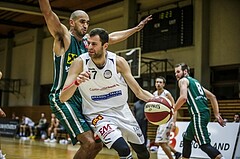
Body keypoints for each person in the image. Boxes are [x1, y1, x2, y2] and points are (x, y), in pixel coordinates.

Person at [38, 0, 152, 158]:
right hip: (63, 97)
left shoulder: (88, 44)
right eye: (82, 21)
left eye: (87, 23)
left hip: (83, 97)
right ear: (72, 22)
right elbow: (48, 14)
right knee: (90, 142)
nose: (85, 25)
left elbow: (111, 38)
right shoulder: (63, 38)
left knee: (96, 145)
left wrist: (136, 29)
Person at [60, 28, 155, 159]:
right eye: (88, 43)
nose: (89, 47)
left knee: (143, 152)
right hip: (98, 114)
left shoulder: (118, 62)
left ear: (105, 46)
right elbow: (63, 97)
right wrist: (76, 83)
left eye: (94, 44)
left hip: (122, 111)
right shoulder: (79, 63)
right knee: (124, 149)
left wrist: (158, 100)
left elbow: (138, 92)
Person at [174, 63, 226, 159]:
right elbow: (212, 96)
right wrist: (216, 114)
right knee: (186, 139)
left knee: (204, 145)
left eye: (178, 72)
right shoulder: (195, 82)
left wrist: (173, 109)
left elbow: (183, 97)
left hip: (198, 114)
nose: (176, 74)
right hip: (204, 114)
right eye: (175, 72)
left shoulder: (183, 81)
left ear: (185, 72)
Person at [153, 76, 181, 159]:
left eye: (160, 82)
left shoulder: (166, 94)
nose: (158, 84)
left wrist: (174, 122)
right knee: (163, 142)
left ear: (164, 84)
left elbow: (174, 107)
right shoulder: (154, 94)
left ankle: (172, 157)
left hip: (168, 119)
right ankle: (176, 153)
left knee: (160, 142)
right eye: (157, 82)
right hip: (161, 121)